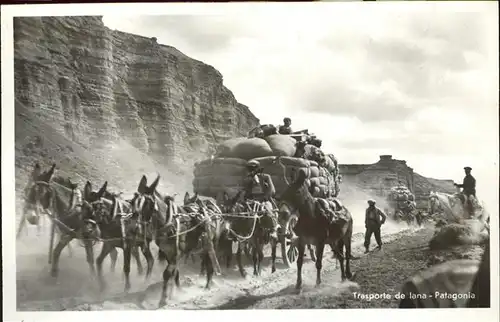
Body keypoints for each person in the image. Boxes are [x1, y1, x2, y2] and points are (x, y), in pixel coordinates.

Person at [242, 160, 280, 238]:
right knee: (240, 213)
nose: (252, 170)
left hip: (264, 200)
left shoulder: (265, 177)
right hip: (251, 201)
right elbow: (245, 191)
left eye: (254, 168)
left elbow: (272, 190)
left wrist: (266, 197)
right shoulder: (247, 179)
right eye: (250, 168)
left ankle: (273, 230)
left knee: (268, 210)